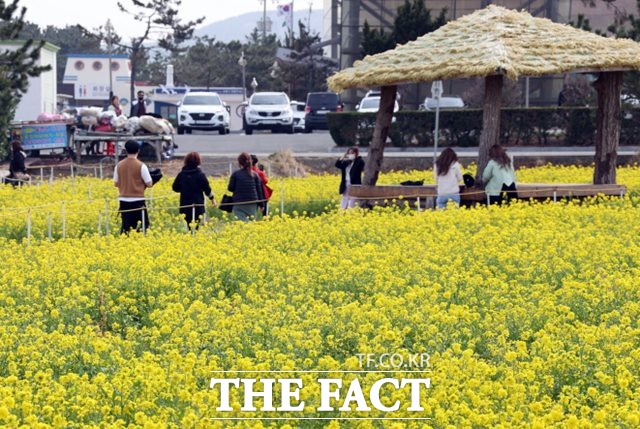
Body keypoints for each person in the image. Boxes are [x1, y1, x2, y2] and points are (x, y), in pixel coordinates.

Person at [114, 140, 154, 233]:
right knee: (143, 227)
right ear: (138, 151)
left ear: (126, 151)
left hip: (123, 200)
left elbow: (116, 183)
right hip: (138, 200)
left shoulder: (119, 165)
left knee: (126, 227)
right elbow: (149, 183)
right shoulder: (141, 166)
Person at [172, 152, 215, 229]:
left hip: (185, 205)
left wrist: (183, 189)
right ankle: (194, 237)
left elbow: (175, 188)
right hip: (198, 205)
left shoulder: (182, 174)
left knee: (189, 225)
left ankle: (191, 236)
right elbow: (207, 189)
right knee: (196, 226)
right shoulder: (200, 175)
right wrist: (212, 199)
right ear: (198, 162)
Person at [228, 152, 264, 221]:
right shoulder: (255, 175)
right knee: (251, 221)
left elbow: (230, 188)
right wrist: (261, 205)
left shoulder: (235, 174)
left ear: (240, 162)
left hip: (239, 202)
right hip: (252, 203)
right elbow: (259, 191)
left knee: (241, 222)